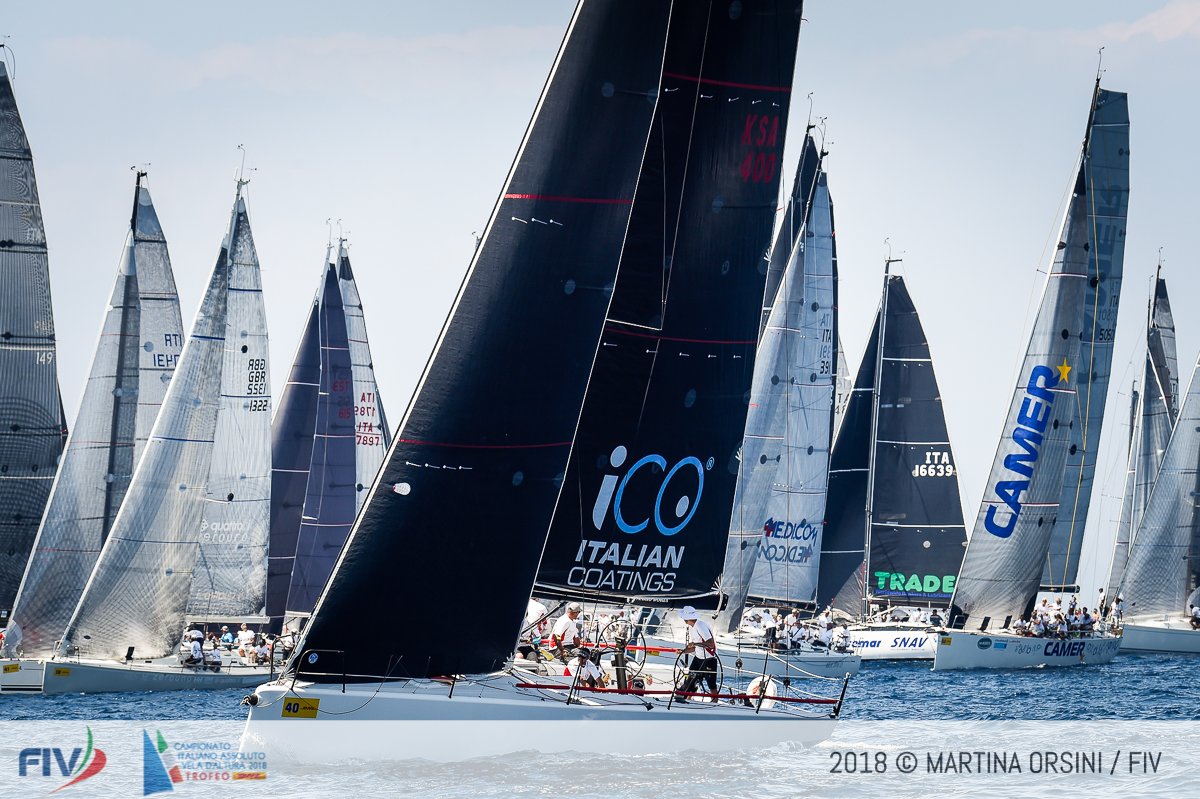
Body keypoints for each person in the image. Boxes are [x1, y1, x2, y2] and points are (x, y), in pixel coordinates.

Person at [675, 606, 717, 702]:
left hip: (709, 659)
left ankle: (714, 704)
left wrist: (695, 644)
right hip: (698, 658)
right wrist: (683, 651)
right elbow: (696, 647)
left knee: (711, 685)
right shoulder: (693, 628)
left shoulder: (700, 626)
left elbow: (710, 643)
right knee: (690, 680)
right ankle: (687, 699)